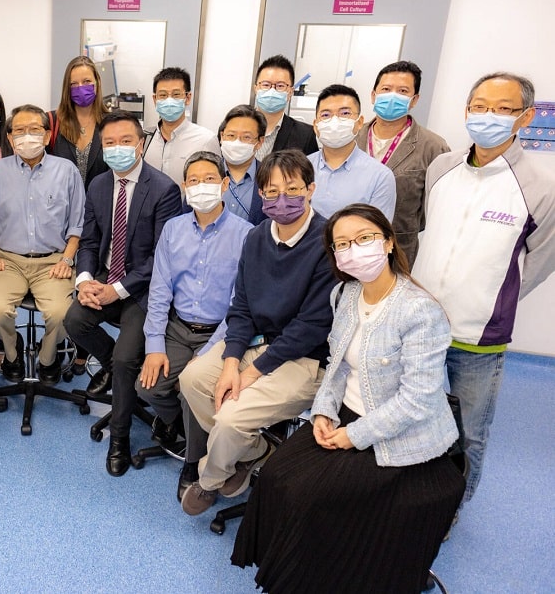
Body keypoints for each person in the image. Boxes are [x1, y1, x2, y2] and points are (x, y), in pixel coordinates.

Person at [231, 203, 464, 594]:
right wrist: (322, 411)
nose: (354, 249)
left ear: (389, 242)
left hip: (402, 434)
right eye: (342, 244)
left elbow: (416, 402)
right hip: (344, 413)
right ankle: (290, 572)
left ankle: (324, 578)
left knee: (310, 498)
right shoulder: (345, 293)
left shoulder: (420, 312)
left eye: (364, 239)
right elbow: (337, 365)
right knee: (273, 477)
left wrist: (354, 435)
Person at [413, 71, 555, 506]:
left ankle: (450, 510)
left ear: (526, 116)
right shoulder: (442, 168)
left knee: (469, 433)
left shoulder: (539, 188)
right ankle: (409, 503)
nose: (487, 116)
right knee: (415, 422)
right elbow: (429, 231)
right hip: (420, 325)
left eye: (502, 109)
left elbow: (540, 263)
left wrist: (494, 300)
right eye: (479, 106)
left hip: (479, 338)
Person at [180, 149, 335, 516]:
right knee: (193, 380)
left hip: (305, 357)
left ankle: (210, 480)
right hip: (256, 343)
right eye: (271, 192)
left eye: (293, 189)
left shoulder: (326, 243)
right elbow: (243, 307)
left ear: (311, 189)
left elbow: (311, 326)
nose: (282, 200)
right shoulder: (257, 237)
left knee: (231, 416)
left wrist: (249, 374)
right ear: (260, 194)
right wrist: (232, 362)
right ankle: (257, 452)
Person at [62, 111, 181, 476]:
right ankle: (118, 370)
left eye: (125, 141)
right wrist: (84, 280)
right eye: (109, 143)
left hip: (141, 290)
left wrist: (117, 290)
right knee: (73, 321)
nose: (117, 149)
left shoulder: (164, 190)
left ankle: (119, 439)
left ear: (140, 144)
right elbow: (90, 239)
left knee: (129, 355)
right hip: (103, 278)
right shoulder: (98, 184)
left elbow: (161, 258)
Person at [139, 151, 252, 497]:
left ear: (223, 184)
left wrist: (204, 353)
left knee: (193, 386)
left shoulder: (246, 234)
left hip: (221, 332)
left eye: (208, 180)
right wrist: (155, 345)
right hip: (177, 326)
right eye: (193, 181)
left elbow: (240, 304)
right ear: (184, 187)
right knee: (147, 388)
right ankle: (178, 425)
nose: (201, 187)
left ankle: (193, 461)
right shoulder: (173, 229)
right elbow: (159, 290)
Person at [0, 105, 85, 384]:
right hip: (6, 260)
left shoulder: (67, 171)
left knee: (63, 315)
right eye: (19, 131)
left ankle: (48, 358)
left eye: (35, 130)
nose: (27, 137)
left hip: (53, 260)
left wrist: (67, 260)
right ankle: (12, 353)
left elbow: (77, 224)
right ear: (10, 139)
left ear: (48, 135)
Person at [356, 61, 449, 264]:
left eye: (403, 91)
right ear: (373, 95)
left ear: (414, 100)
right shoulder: (352, 138)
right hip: (348, 245)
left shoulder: (433, 147)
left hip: (398, 251)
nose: (392, 96)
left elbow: (432, 210)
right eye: (386, 89)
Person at [308, 84, 396, 221]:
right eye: (326, 115)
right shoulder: (300, 168)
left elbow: (376, 233)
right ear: (315, 125)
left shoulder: (380, 176)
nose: (334, 121)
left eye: (345, 113)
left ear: (359, 122)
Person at [142, 67, 220, 186]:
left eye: (176, 94)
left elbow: (215, 184)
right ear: (155, 99)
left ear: (187, 98)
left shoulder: (206, 140)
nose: (169, 100)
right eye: (162, 95)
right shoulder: (144, 138)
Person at [50, 55, 109, 189]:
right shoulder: (52, 121)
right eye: (74, 84)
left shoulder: (110, 123)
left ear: (97, 83)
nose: (80, 87)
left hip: (99, 206)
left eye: (87, 81)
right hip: (61, 206)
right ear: (67, 88)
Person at [252, 55, 318, 160]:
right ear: (256, 89)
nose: (272, 90)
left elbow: (308, 174)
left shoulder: (305, 135)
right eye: (266, 85)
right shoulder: (235, 125)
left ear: (290, 92)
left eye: (280, 86)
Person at [218, 105, 267, 225]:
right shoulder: (204, 173)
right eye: (231, 135)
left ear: (260, 142)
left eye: (246, 137)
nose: (237, 142)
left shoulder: (269, 177)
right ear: (221, 137)